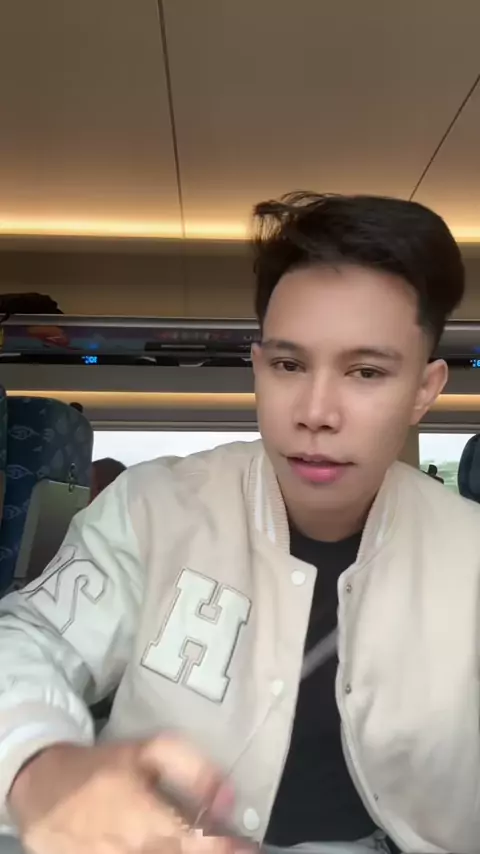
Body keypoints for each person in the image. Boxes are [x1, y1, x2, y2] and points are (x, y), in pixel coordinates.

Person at [0, 192, 476, 854]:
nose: (315, 411)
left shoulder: (469, 555)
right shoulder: (154, 508)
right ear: (258, 368)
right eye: (288, 365)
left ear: (425, 389)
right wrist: (39, 767)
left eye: (366, 372)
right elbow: (28, 640)